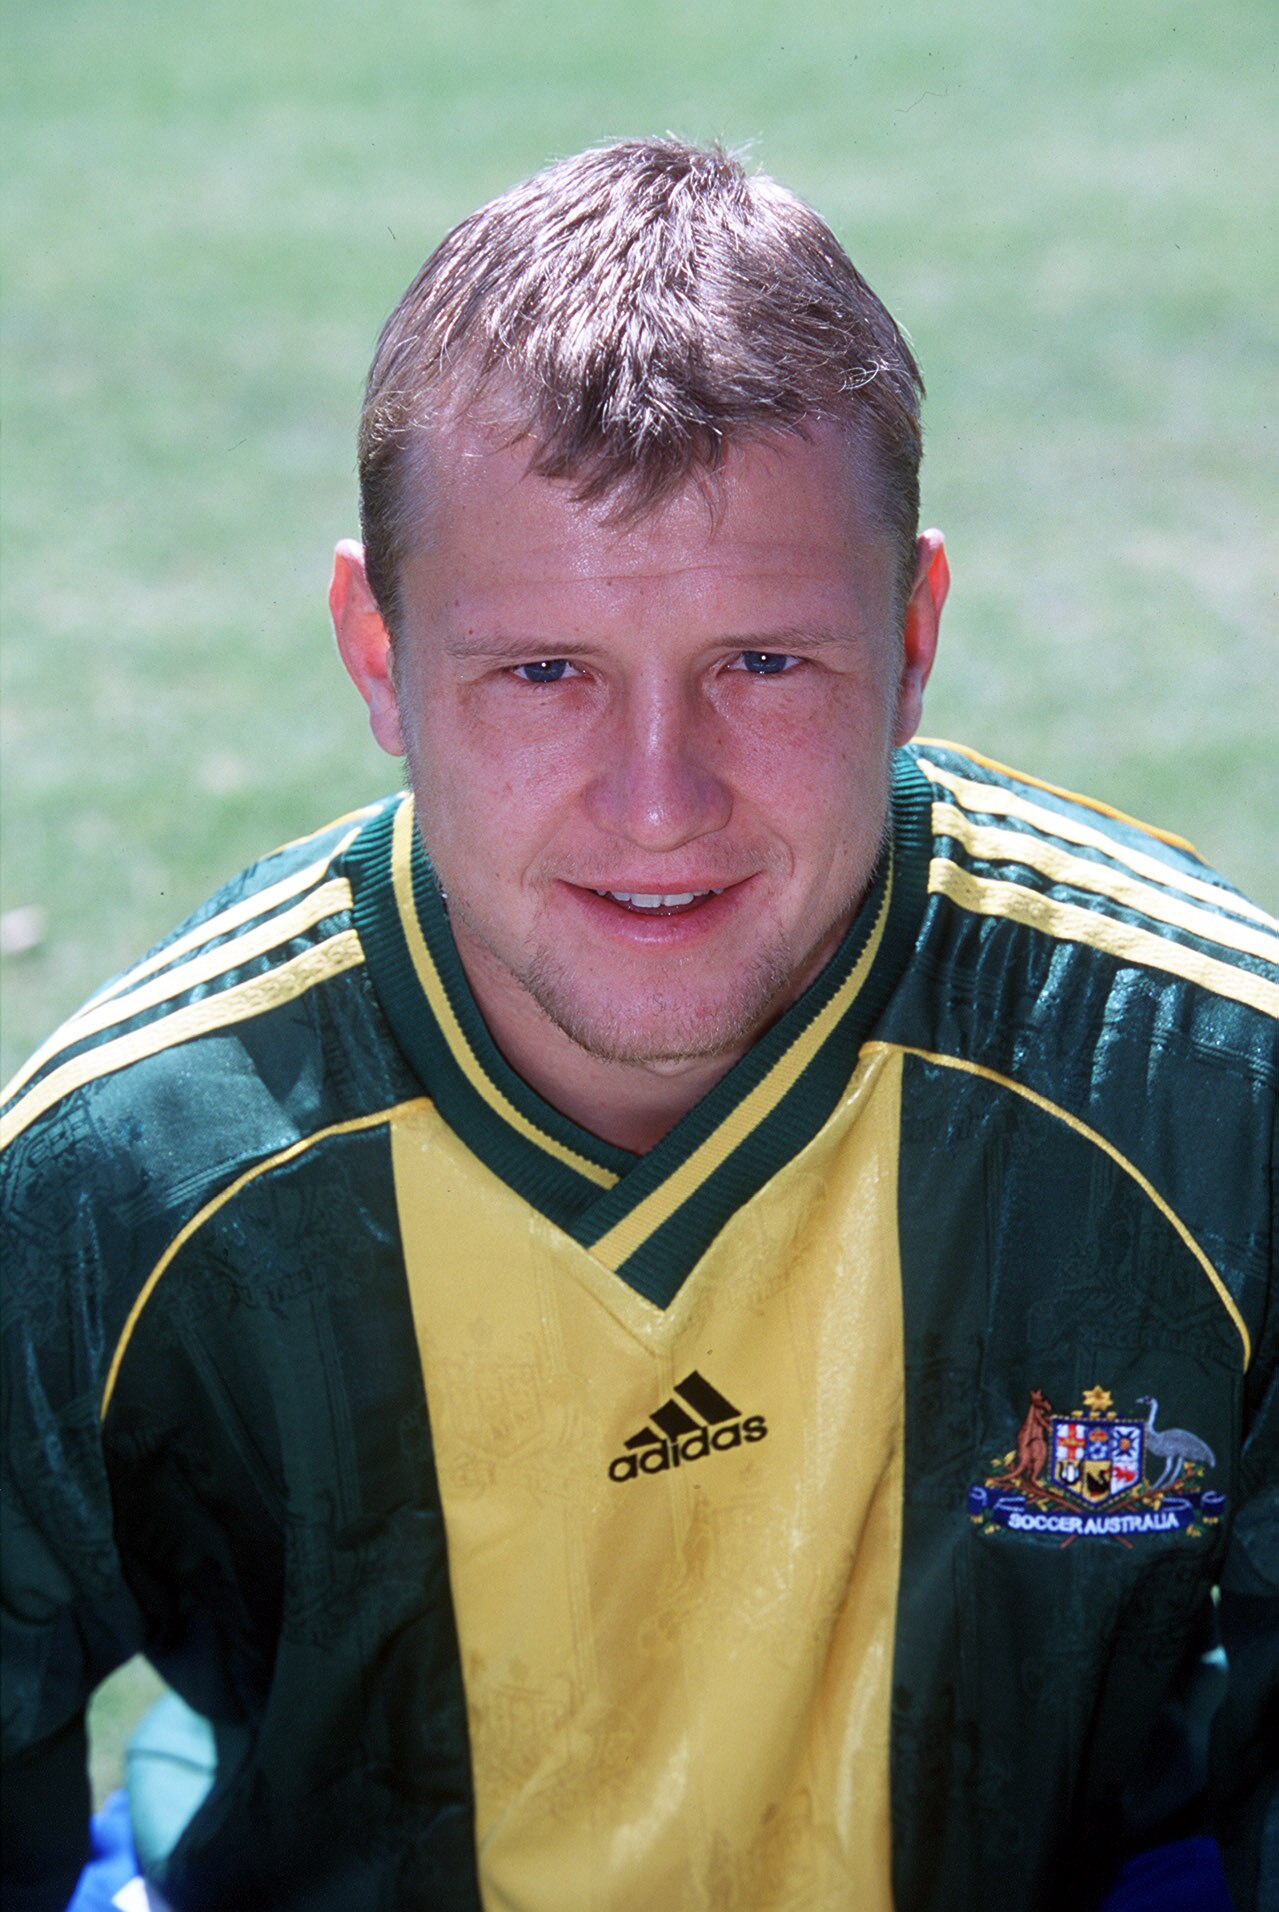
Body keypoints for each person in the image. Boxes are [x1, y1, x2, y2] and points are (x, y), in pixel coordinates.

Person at [1, 138, 1274, 1912]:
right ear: (377, 655)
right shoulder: (122, 1181)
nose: (660, 800)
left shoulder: (1214, 1101)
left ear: (911, 637)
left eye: (764, 663)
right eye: (543, 672)